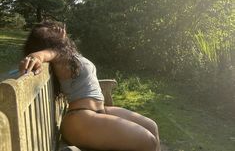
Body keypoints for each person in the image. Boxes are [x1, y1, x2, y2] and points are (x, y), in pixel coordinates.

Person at [19, 21, 161, 151]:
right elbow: (44, 54)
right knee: (148, 141)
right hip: (81, 117)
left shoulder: (68, 54)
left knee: (152, 126)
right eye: (50, 30)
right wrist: (36, 57)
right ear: (48, 41)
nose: (56, 27)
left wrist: (63, 41)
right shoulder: (58, 55)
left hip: (99, 111)